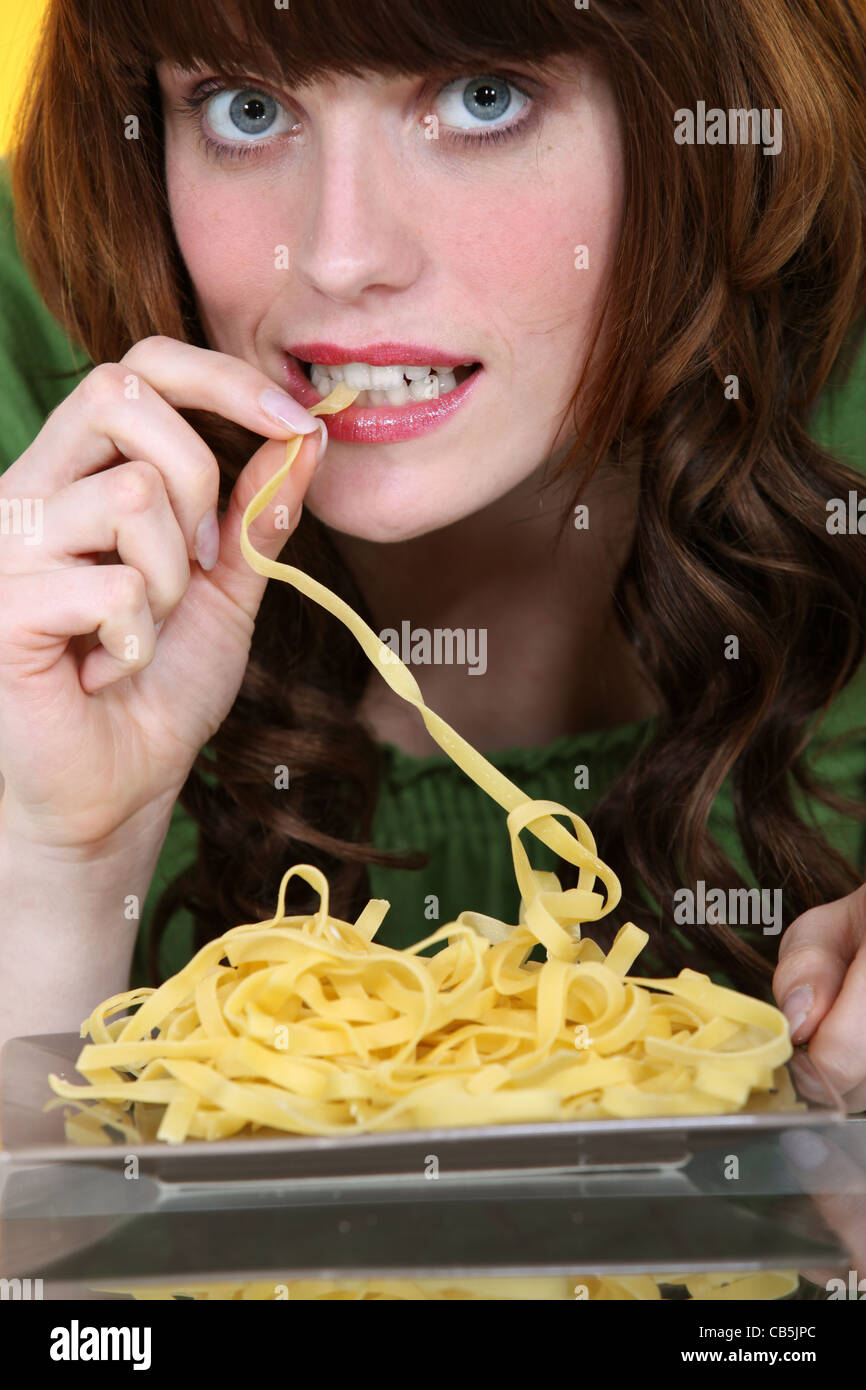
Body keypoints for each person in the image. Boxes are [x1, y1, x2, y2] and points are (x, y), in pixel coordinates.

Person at [0, 0, 865, 1119]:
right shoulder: (32, 385)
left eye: (482, 99)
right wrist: (60, 866)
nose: (339, 256)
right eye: (245, 108)